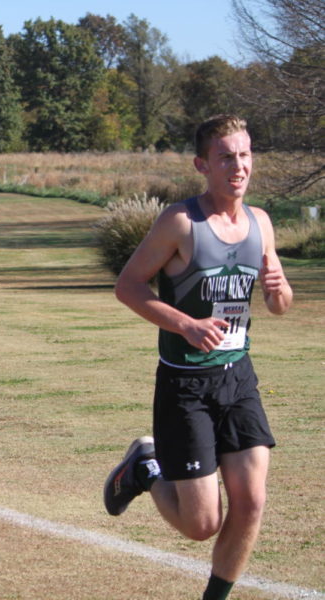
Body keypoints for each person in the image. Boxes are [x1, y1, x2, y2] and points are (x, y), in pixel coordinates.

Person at [103, 114, 293, 600]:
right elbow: (128, 285)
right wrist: (185, 325)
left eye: (245, 154)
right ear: (202, 164)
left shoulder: (261, 224)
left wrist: (279, 290)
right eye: (226, 156)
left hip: (238, 379)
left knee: (251, 502)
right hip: (185, 386)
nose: (239, 166)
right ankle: (147, 467)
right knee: (202, 524)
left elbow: (278, 302)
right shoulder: (181, 222)